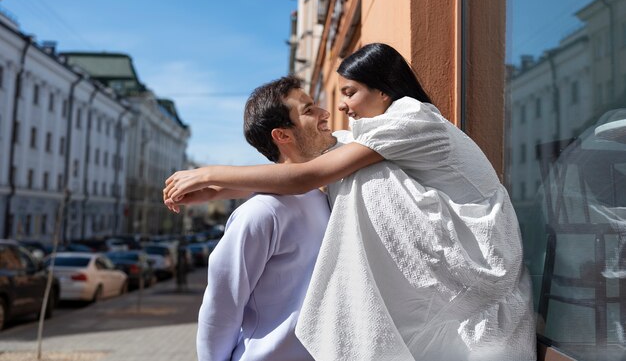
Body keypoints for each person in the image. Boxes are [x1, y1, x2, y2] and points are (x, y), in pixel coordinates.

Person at [164, 43, 536, 361]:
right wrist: (221, 191)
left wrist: (209, 173)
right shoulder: (267, 210)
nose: (337, 108)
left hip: (479, 257)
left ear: (384, 91)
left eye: (350, 92)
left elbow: (308, 174)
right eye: (315, 107)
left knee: (359, 177)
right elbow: (222, 302)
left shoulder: (412, 120)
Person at [188, 76, 334, 361]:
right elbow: (222, 307)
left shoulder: (326, 197)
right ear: (282, 135)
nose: (325, 113)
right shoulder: (260, 213)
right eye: (308, 110)